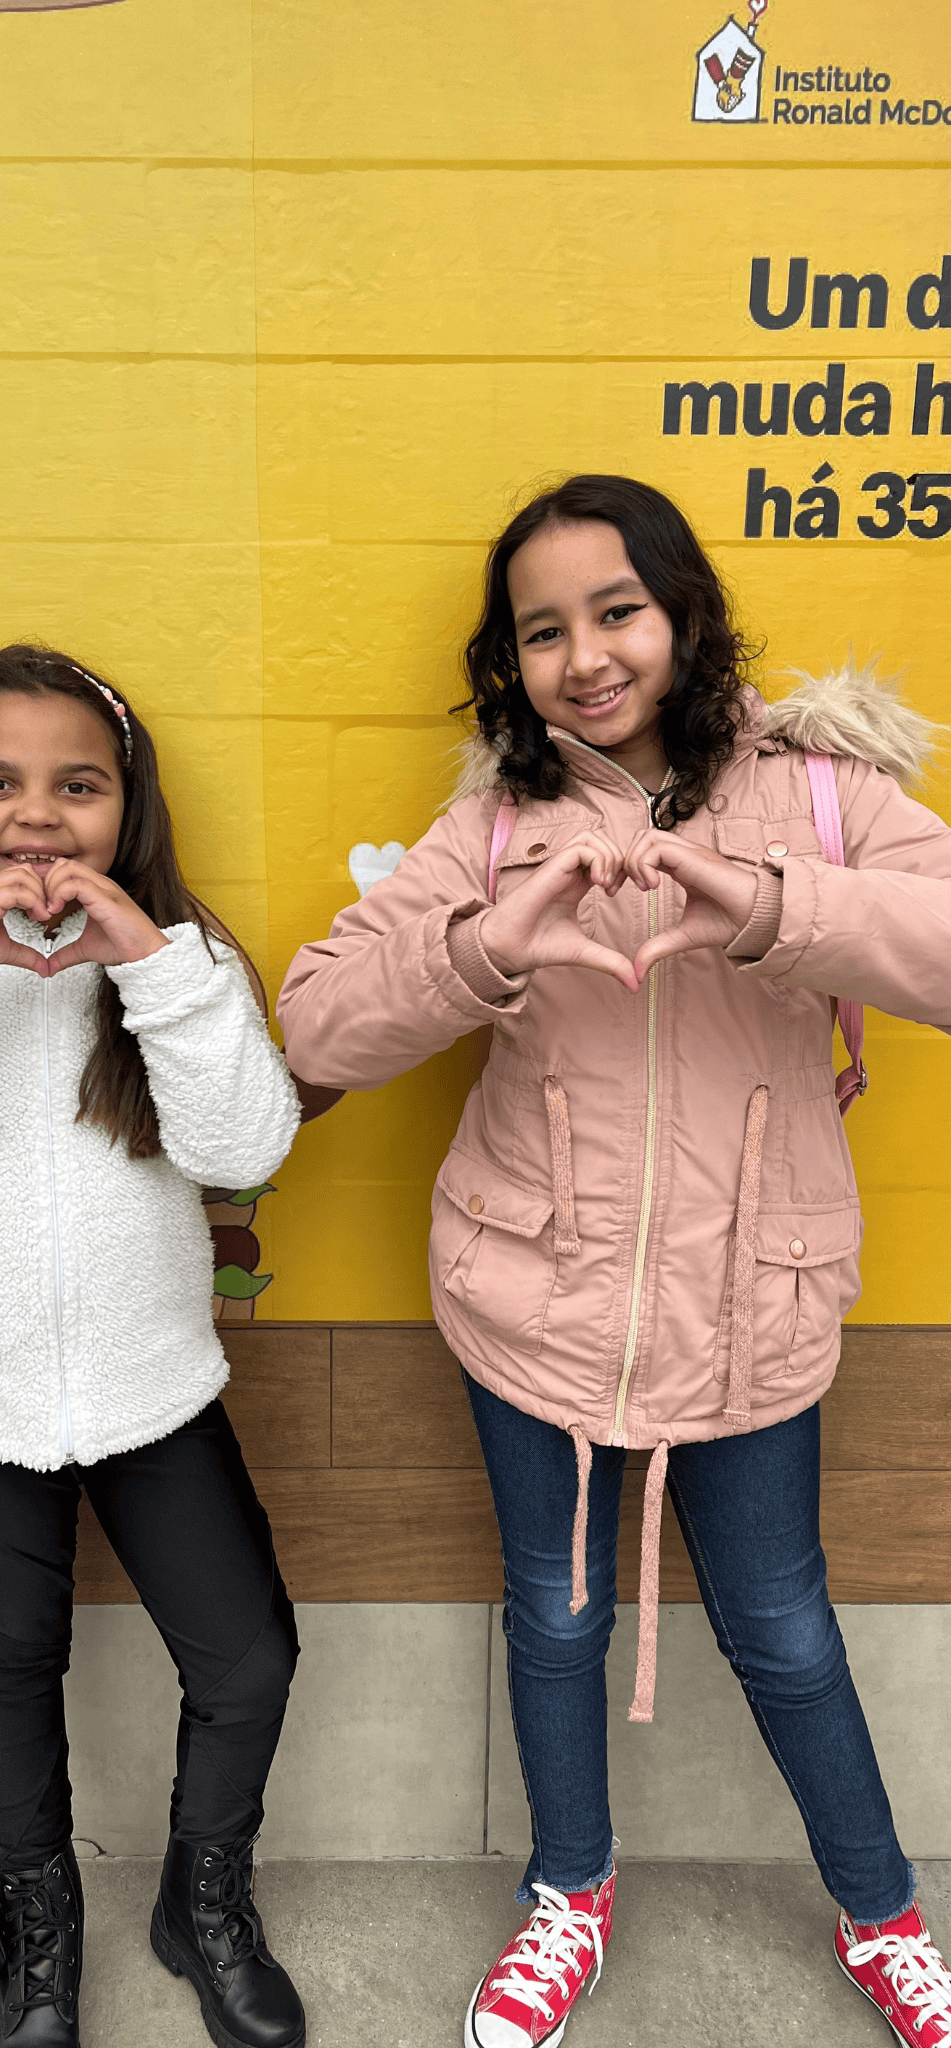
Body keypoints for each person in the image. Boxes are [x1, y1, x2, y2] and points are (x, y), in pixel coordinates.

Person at [276, 476, 951, 2048]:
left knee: (784, 1628)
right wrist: (484, 948)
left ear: (684, 611)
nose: (584, 656)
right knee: (557, 1617)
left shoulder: (825, 792)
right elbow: (316, 1026)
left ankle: (884, 1914)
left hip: (754, 1306)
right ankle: (568, 1891)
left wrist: (772, 907)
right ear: (507, 662)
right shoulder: (496, 826)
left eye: (618, 610)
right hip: (535, 1304)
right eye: (542, 630)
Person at [0, 645, 306, 2048]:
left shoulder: (182, 966)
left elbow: (245, 1148)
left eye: (78, 785)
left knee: (250, 1662)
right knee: (8, 1669)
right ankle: (39, 1933)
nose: (36, 815)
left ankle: (203, 1900)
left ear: (127, 809)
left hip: (157, 1391)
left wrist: (151, 966)